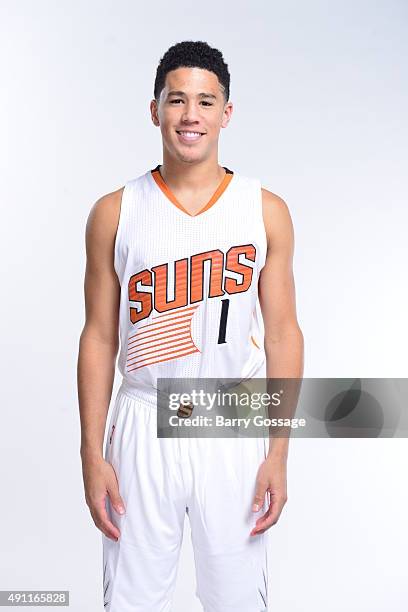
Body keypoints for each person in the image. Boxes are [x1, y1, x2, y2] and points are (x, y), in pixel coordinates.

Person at [77, 40, 304, 612]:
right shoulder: (115, 210)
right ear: (155, 110)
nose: (190, 116)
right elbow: (99, 336)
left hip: (229, 419)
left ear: (226, 113)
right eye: (177, 100)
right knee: (130, 601)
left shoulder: (264, 208)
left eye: (205, 102)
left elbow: (282, 335)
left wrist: (278, 452)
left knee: (236, 601)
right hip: (141, 419)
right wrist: (91, 452)